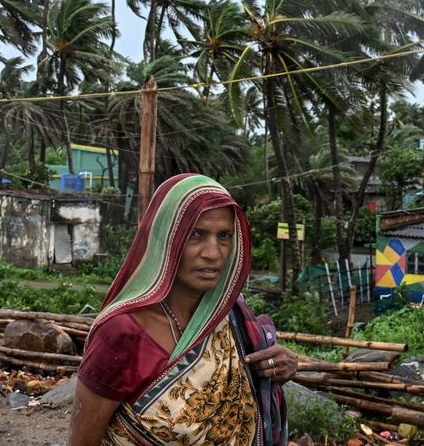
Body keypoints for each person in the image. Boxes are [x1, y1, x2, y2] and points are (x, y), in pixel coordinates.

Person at [69, 174, 296, 445]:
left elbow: (249, 395)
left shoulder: (231, 318)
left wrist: (282, 367)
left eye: (223, 236)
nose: (213, 253)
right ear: (166, 239)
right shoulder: (123, 333)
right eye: (196, 235)